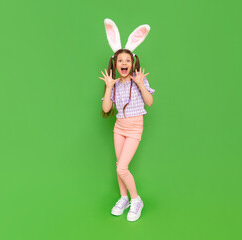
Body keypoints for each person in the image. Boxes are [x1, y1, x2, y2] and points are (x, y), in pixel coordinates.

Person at [99, 19, 155, 222]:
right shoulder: (113, 84)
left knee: (122, 167)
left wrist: (141, 84)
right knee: (118, 165)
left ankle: (136, 200)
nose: (124, 63)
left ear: (133, 63)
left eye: (127, 61)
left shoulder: (139, 79)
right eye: (120, 60)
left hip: (134, 128)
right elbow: (106, 109)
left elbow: (149, 102)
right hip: (119, 128)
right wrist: (107, 87)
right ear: (115, 63)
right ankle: (123, 198)